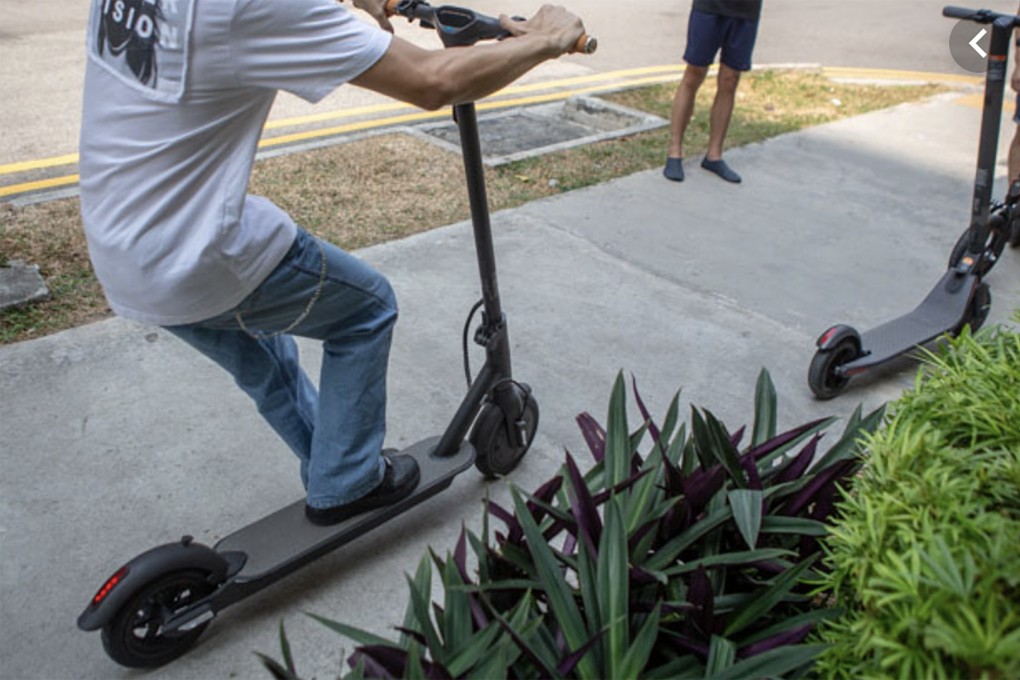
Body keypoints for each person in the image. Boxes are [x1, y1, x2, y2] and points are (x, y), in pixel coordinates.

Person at [78, 0, 584, 526]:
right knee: (366, 310)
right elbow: (433, 80)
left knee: (264, 356)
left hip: (121, 248)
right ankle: (347, 483)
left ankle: (332, 467)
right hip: (195, 256)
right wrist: (545, 39)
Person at [663, 0, 763, 184]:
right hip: (710, 7)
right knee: (694, 73)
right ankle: (674, 151)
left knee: (730, 79)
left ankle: (714, 156)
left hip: (746, 10)